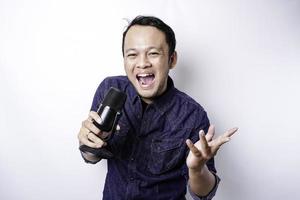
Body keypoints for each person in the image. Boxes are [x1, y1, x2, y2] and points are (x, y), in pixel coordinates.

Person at [77, 15, 238, 200]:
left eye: (153, 53)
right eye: (132, 54)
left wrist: (197, 169)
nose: (142, 63)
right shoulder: (110, 90)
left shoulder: (193, 115)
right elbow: (91, 157)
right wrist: (89, 142)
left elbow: (204, 194)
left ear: (172, 59)